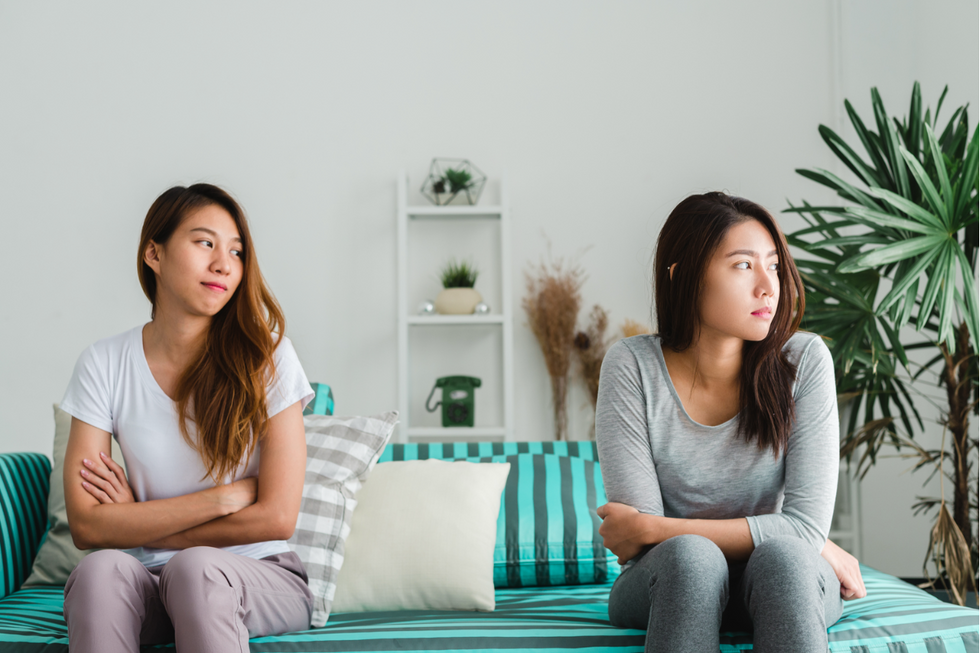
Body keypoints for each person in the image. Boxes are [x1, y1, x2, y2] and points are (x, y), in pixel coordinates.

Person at [595, 192, 866, 653]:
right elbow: (641, 548)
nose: (769, 286)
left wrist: (655, 528)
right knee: (692, 558)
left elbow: (644, 529)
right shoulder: (631, 366)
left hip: (780, 576)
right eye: (743, 265)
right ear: (684, 276)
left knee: (784, 558)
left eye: (775, 266)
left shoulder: (805, 360)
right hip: (669, 580)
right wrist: (802, 534)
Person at [61, 184, 315, 653]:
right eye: (205, 243)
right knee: (98, 570)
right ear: (153, 254)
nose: (224, 263)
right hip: (150, 579)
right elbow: (89, 527)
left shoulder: (268, 356)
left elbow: (277, 517)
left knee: (194, 567)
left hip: (259, 575)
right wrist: (222, 500)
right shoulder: (104, 362)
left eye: (236, 251)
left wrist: (137, 519)